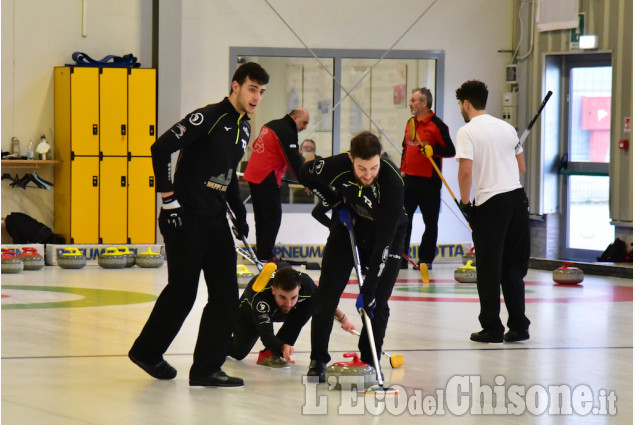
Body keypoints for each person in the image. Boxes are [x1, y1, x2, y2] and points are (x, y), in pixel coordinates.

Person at [128, 62, 270, 387]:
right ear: (235, 86)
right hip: (184, 217)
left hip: (215, 220)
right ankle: (147, 352)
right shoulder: (208, 117)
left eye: (261, 92)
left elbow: (229, 173)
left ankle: (207, 368)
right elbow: (161, 148)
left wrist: (240, 212)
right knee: (183, 292)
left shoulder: (244, 128)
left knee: (225, 296)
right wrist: (168, 199)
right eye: (252, 89)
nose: (256, 97)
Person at [299, 131, 408, 382]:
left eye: (373, 167)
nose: (367, 175)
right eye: (361, 168)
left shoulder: (393, 183)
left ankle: (369, 360)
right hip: (349, 227)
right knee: (326, 295)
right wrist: (334, 200)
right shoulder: (338, 165)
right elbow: (306, 173)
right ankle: (318, 360)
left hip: (387, 235)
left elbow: (384, 242)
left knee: (377, 300)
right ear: (351, 159)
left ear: (380, 158)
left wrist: (368, 290)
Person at [454, 80, 530, 344]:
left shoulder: (467, 131)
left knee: (489, 269)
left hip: (490, 203)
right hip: (517, 200)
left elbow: (465, 171)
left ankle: (492, 328)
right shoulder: (507, 128)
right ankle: (519, 326)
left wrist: (465, 204)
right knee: (513, 267)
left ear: (465, 103)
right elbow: (521, 167)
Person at [229, 265, 355, 367]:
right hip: (249, 316)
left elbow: (325, 302)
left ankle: (271, 353)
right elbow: (265, 334)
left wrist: (344, 319)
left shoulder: (306, 284)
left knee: (312, 301)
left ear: (299, 289)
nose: (288, 304)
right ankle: (215, 339)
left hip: (278, 312)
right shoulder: (260, 298)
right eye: (282, 297)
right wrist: (282, 346)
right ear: (273, 290)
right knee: (238, 352)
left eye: (293, 297)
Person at [243, 108, 310, 262]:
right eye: (304, 122)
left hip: (255, 175)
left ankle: (262, 255)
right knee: (273, 218)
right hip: (267, 177)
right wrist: (307, 181)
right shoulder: (286, 130)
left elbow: (256, 145)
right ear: (294, 117)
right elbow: (293, 160)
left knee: (262, 218)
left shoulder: (271, 125)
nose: (305, 126)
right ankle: (266, 255)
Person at [400, 87, 455, 270]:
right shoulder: (410, 123)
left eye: (413, 100)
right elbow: (405, 147)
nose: (410, 104)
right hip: (409, 180)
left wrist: (434, 150)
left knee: (430, 222)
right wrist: (402, 170)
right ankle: (401, 258)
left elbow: (450, 150)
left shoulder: (438, 125)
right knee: (404, 220)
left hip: (429, 181)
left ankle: (425, 259)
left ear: (424, 103)